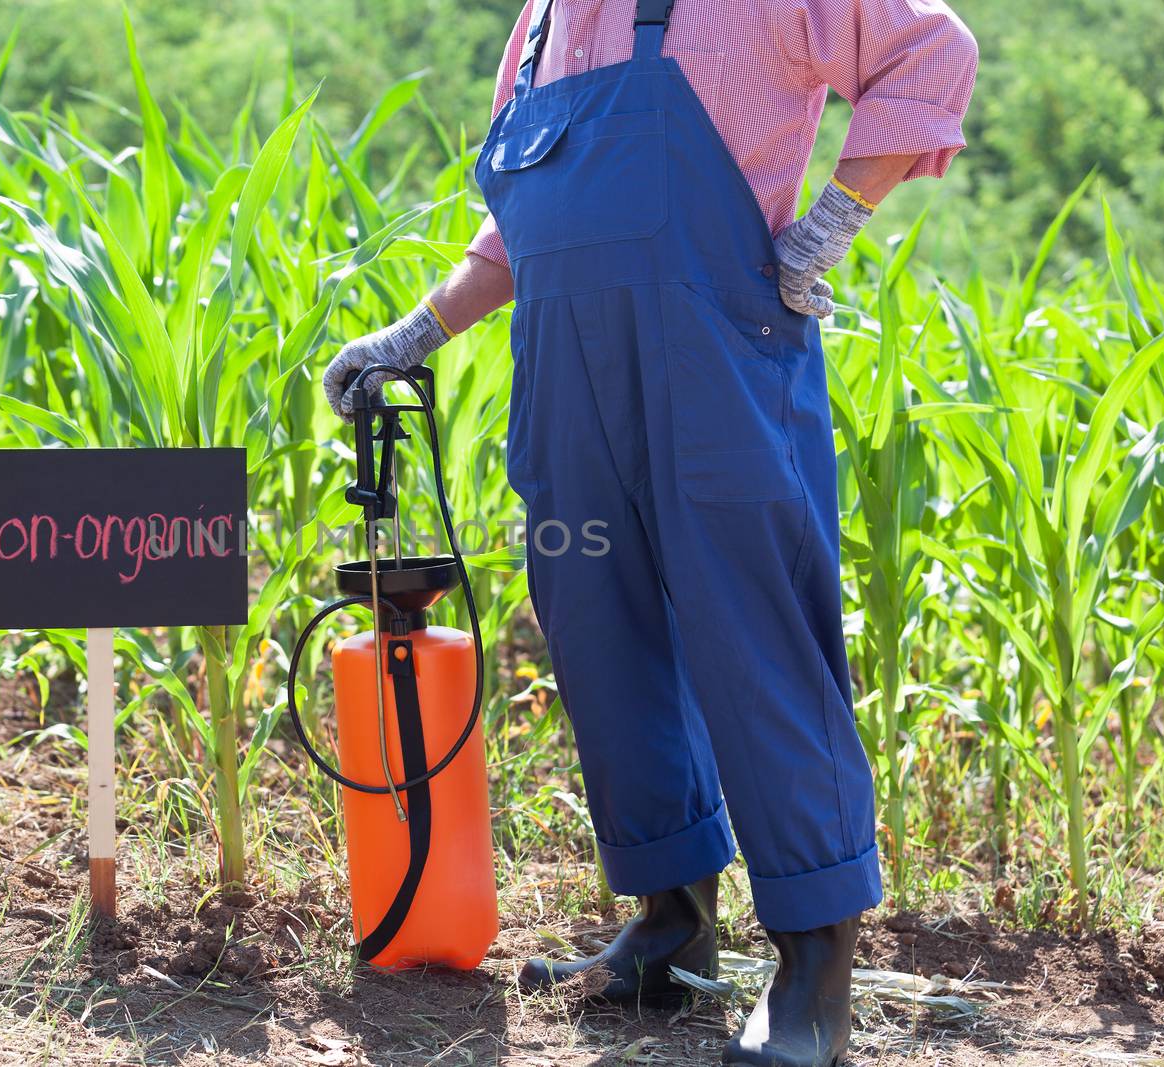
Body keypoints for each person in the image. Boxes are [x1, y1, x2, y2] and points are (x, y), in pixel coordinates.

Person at [322, 1, 978, 1064]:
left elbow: (931, 50)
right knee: (601, 638)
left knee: (759, 641)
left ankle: (816, 965)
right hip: (569, 382)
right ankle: (670, 928)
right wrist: (416, 330)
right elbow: (522, 227)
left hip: (718, 358)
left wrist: (833, 222)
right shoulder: (537, 30)